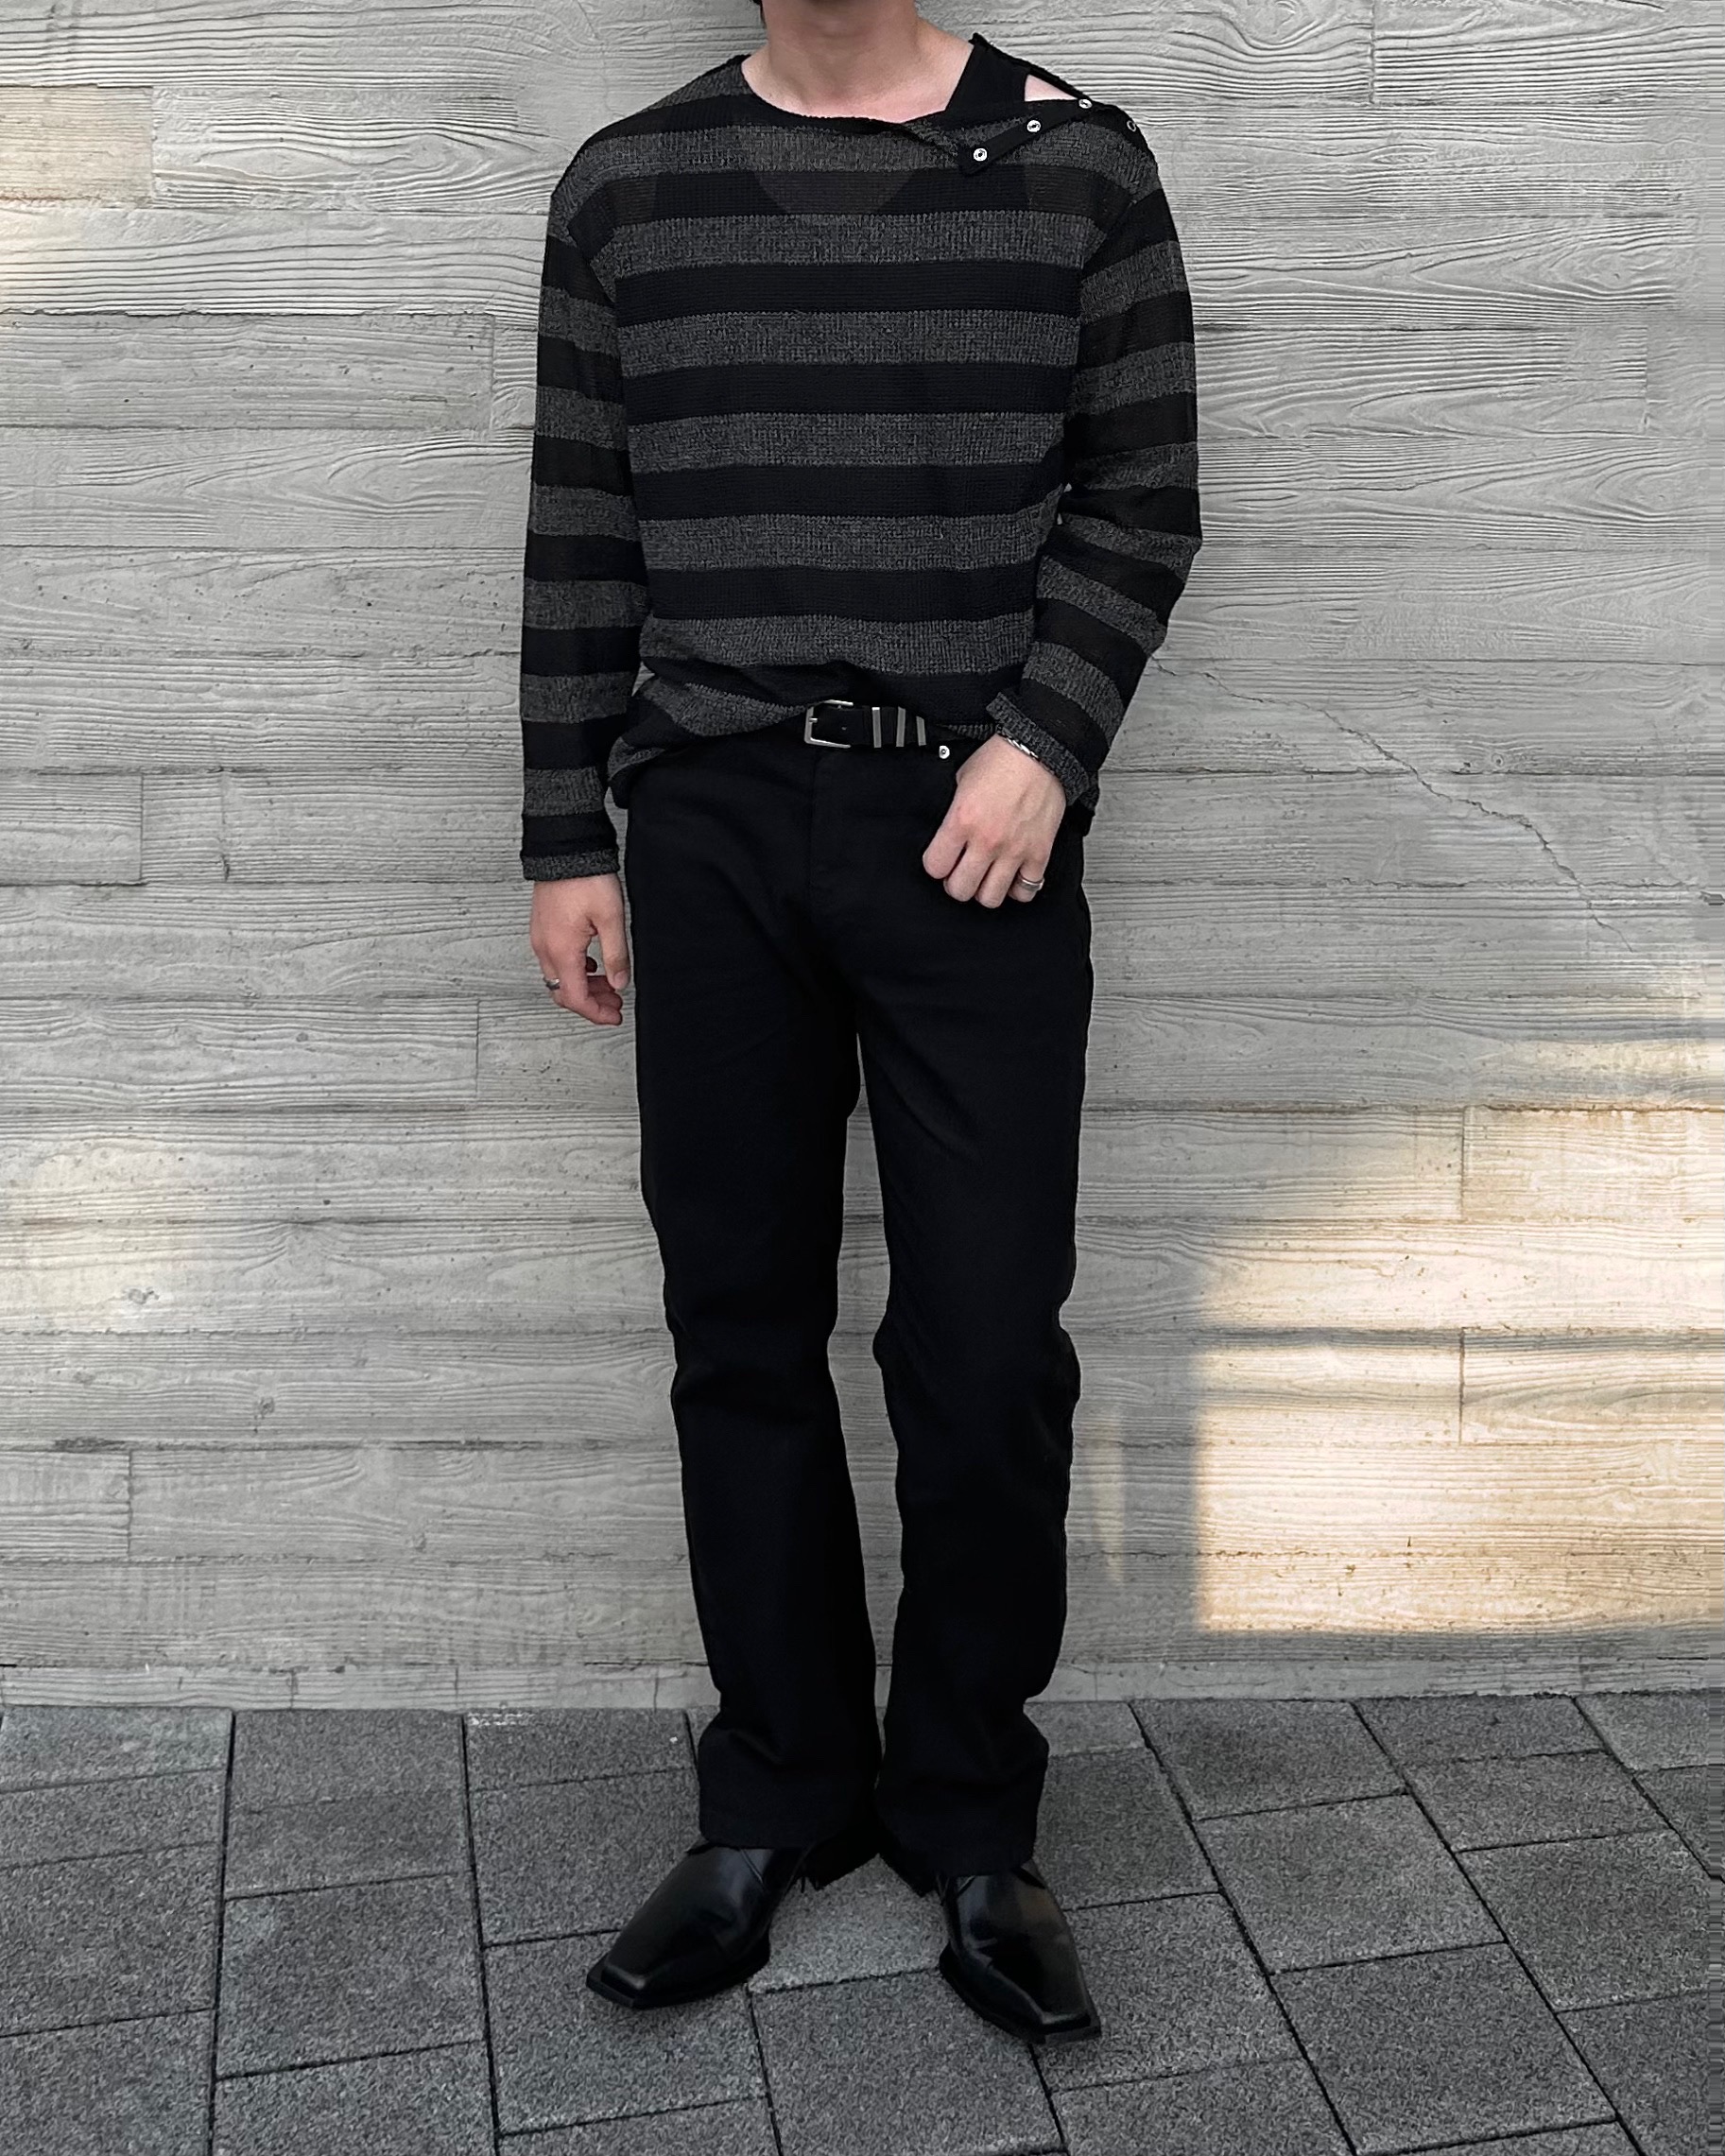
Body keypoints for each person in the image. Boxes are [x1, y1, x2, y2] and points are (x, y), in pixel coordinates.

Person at [518, 0, 1200, 2046]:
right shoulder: (628, 187)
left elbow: (1143, 492)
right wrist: (564, 834)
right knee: (736, 1325)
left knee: (982, 1350)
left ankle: (971, 1815)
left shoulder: (1077, 166)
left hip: (971, 831)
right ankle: (778, 1793)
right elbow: (582, 523)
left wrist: (1045, 744)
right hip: (711, 825)